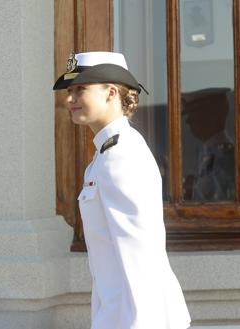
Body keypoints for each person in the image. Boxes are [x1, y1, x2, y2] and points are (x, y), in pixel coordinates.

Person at [53, 51, 191, 329]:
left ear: (111, 92)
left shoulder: (120, 156)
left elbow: (139, 251)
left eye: (80, 89)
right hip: (118, 313)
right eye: (69, 91)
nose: (70, 99)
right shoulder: (105, 155)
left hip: (136, 317)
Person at [182, 88, 235, 201]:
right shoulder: (210, 153)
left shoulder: (226, 157)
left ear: (209, 116)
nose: (188, 121)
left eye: (193, 114)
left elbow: (221, 203)